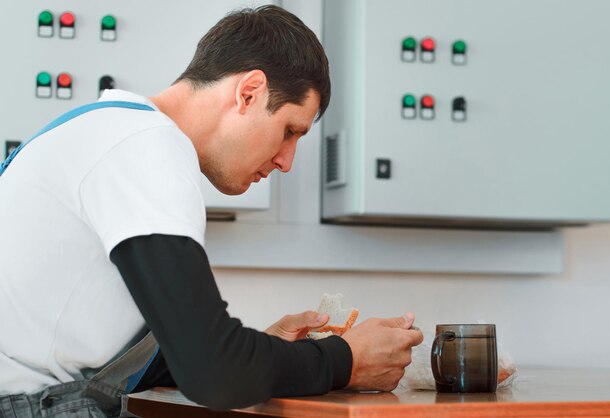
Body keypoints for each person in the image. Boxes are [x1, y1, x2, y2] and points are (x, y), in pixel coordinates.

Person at [0, 5, 423, 417]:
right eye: (290, 131)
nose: (286, 161)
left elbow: (190, 359)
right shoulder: (147, 146)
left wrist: (261, 352)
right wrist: (344, 359)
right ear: (249, 92)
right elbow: (214, 374)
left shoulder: (107, 129)